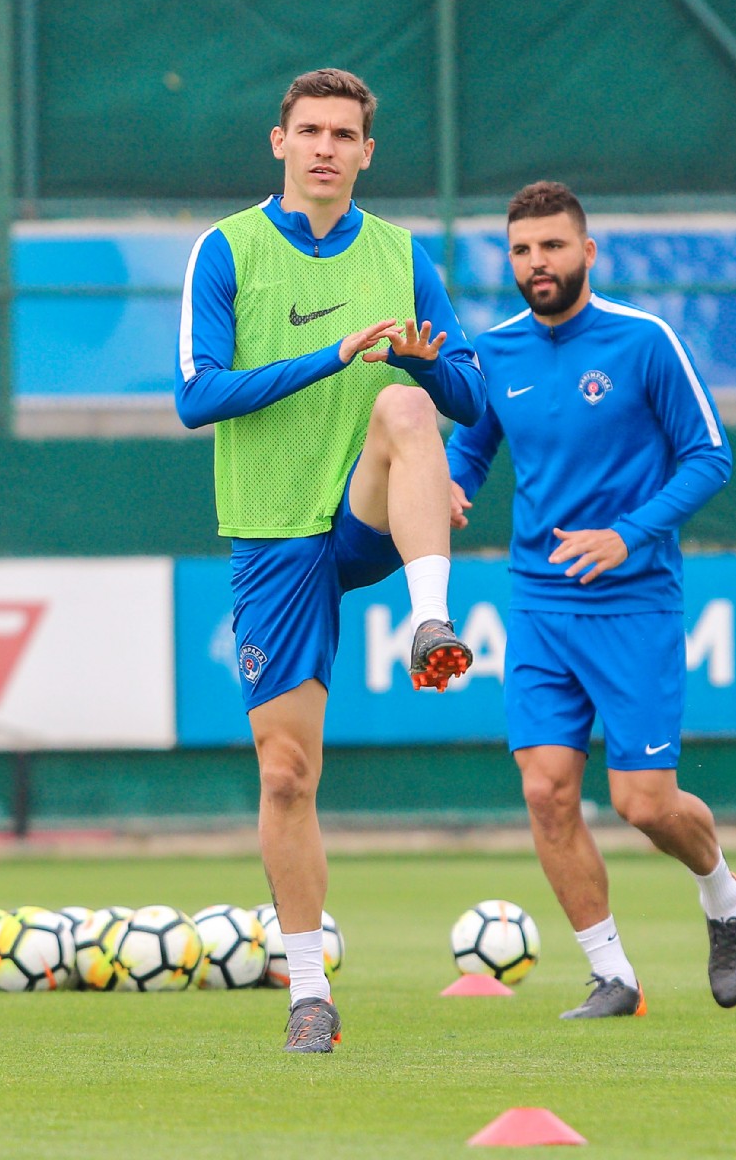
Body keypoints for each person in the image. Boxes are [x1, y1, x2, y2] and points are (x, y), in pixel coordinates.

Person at [175, 68, 486, 1052]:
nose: (324, 147)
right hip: (274, 530)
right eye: (309, 130)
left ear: (366, 152)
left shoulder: (401, 253)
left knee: (408, 403)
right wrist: (338, 353)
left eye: (343, 134)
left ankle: (432, 619)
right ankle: (309, 992)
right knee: (286, 774)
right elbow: (196, 396)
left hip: (363, 508)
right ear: (279, 141)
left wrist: (422, 361)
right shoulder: (228, 249)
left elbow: (471, 394)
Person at [444, 181, 736, 1019]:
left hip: (634, 603)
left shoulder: (644, 341)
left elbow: (709, 455)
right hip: (538, 606)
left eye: (551, 246)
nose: (536, 263)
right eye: (521, 251)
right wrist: (452, 485)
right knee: (546, 791)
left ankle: (723, 897)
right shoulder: (495, 352)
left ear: (587, 251)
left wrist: (629, 533)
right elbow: (472, 450)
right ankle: (612, 975)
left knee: (642, 803)